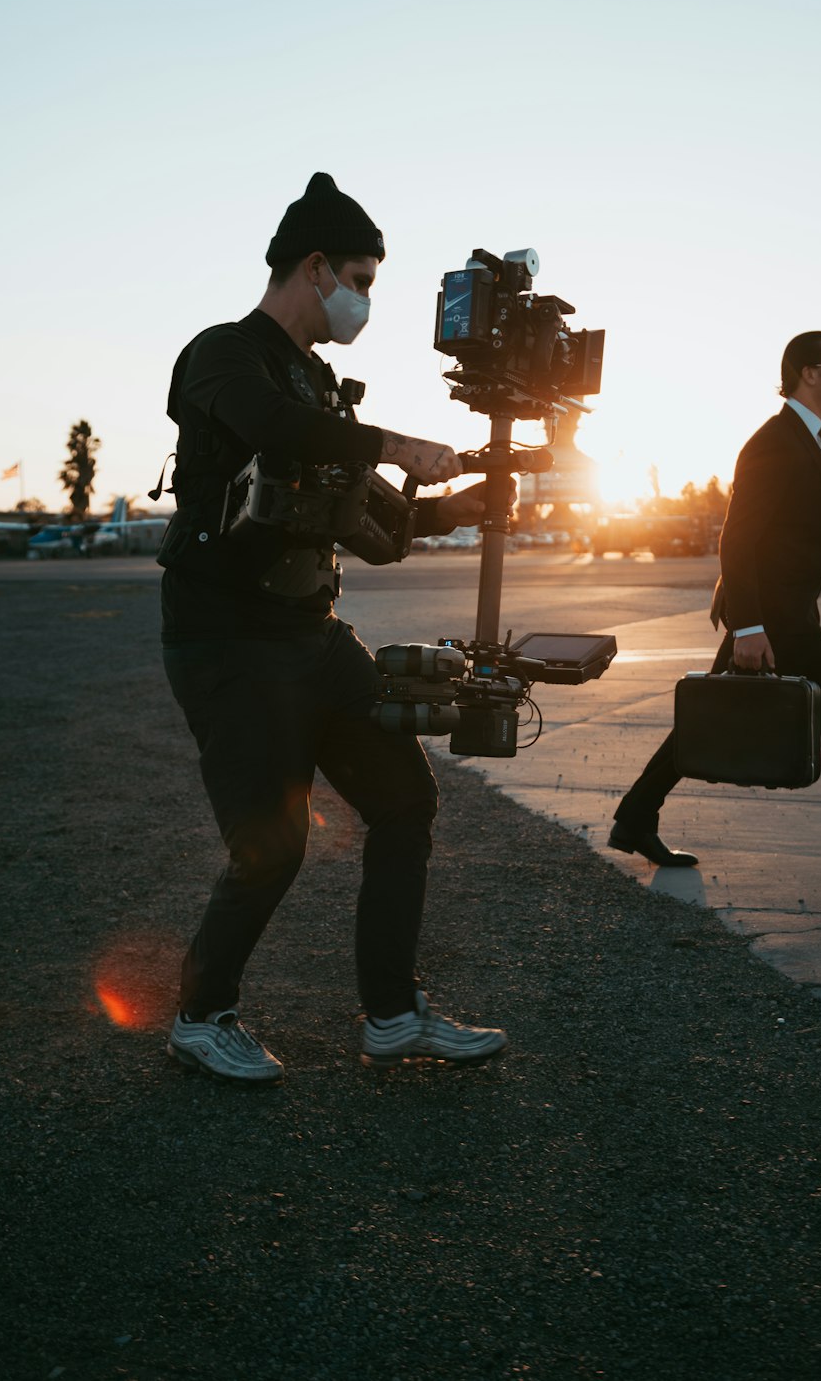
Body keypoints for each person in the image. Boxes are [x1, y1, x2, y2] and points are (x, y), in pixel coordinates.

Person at [159, 172, 507, 1082]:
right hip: (227, 639)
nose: (364, 300)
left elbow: (375, 531)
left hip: (313, 637)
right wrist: (395, 444)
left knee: (406, 803)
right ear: (313, 268)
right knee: (272, 844)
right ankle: (201, 1015)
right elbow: (269, 426)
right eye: (359, 278)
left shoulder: (319, 385)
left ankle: (392, 1015)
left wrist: (458, 504)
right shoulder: (223, 354)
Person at [608, 331, 821, 889]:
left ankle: (633, 817)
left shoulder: (812, 437)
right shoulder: (775, 442)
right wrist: (750, 626)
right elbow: (737, 540)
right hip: (772, 618)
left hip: (787, 613)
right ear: (808, 373)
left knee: (714, 717)